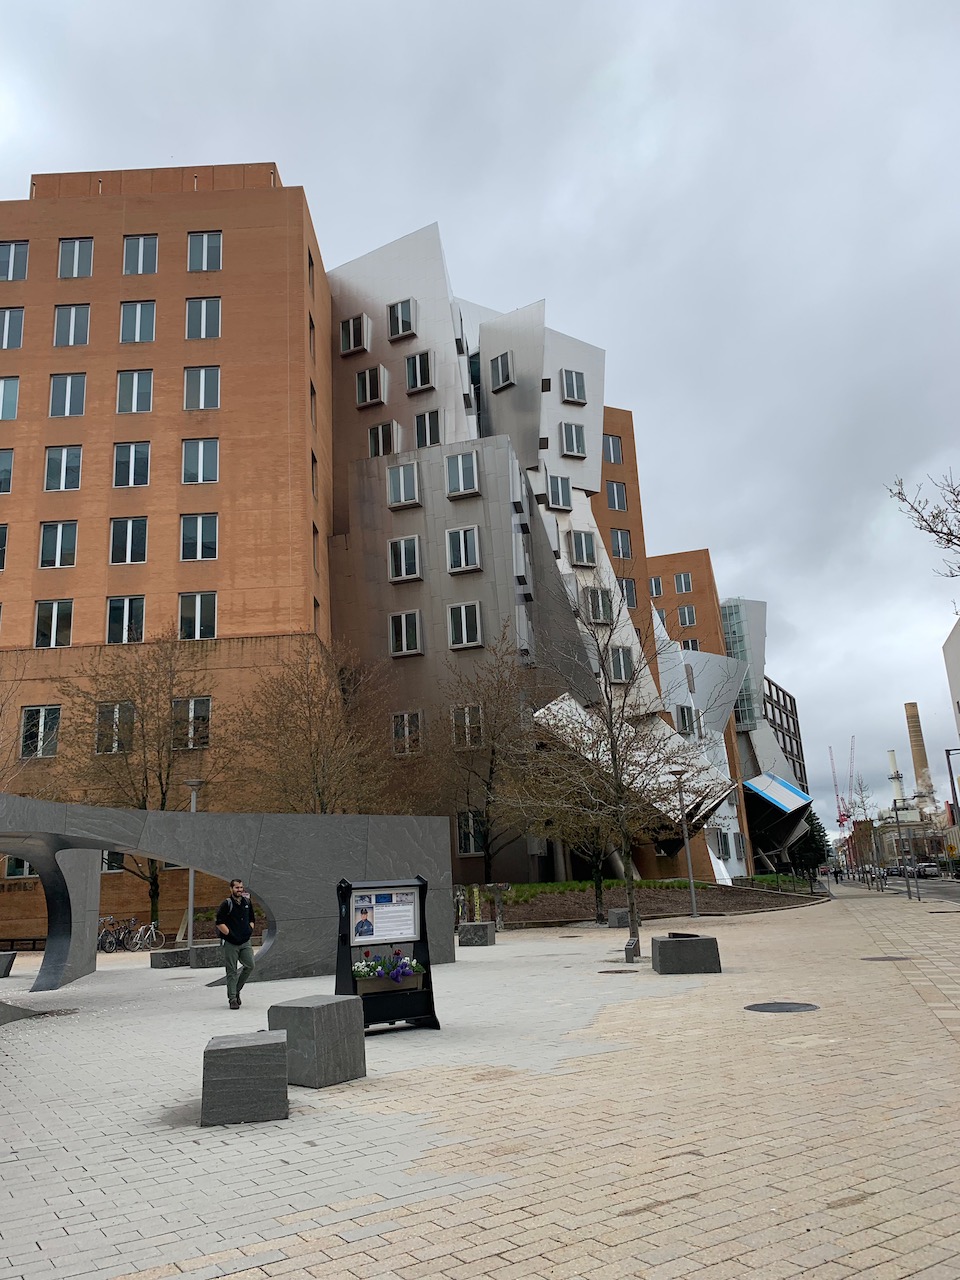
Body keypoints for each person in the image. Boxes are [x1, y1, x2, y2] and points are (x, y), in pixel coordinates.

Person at [216, 878, 256, 1010]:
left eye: (241, 887)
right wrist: (230, 935)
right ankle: (232, 998)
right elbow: (219, 922)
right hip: (231, 943)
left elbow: (252, 918)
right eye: (236, 888)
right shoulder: (226, 904)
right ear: (231, 889)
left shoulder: (247, 902)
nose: (239, 890)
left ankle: (236, 990)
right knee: (232, 971)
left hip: (245, 941)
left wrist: (249, 930)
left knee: (250, 965)